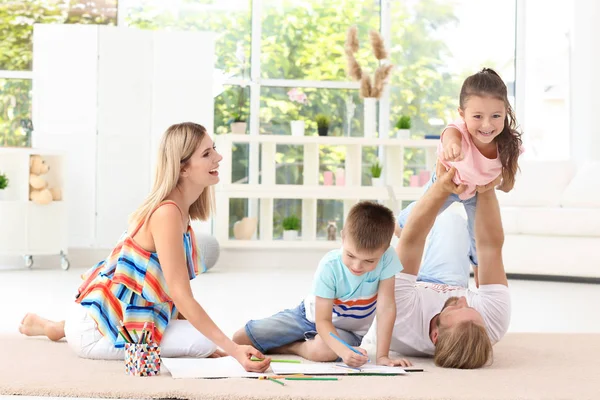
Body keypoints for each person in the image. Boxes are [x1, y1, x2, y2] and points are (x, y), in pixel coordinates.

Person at [18, 122, 271, 373]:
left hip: (96, 316)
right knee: (202, 341)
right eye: (207, 154)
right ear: (182, 168)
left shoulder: (180, 212)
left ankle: (56, 327)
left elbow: (172, 294)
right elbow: (181, 294)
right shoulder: (168, 214)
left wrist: (214, 344)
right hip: (92, 333)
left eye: (213, 148)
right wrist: (231, 349)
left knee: (201, 338)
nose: (219, 157)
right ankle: (63, 329)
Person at [233, 202, 411, 368]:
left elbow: (386, 308)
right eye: (350, 255)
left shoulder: (388, 258)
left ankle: (292, 347)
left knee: (323, 351)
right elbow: (322, 320)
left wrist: (382, 357)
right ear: (343, 237)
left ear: (386, 248)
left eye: (369, 261)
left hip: (348, 330)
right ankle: (297, 340)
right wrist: (342, 351)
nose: (357, 266)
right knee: (240, 339)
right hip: (308, 317)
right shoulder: (329, 266)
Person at [397, 67, 523, 286]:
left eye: (496, 116)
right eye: (477, 116)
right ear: (462, 114)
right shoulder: (458, 131)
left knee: (480, 239)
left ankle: (481, 279)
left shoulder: (509, 144)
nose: (487, 124)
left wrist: (496, 182)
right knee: (415, 220)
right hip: (449, 184)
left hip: (477, 192)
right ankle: (396, 224)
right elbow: (450, 137)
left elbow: (508, 180)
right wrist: (452, 147)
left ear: (505, 113)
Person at [391, 163, 511, 369]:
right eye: (471, 308)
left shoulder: (400, 319)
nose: (464, 299)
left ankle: (400, 223)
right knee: (452, 221)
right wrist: (487, 183)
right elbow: (491, 248)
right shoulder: (493, 323)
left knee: (434, 223)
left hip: (409, 291)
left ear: (435, 335)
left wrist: (443, 184)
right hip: (447, 280)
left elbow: (412, 240)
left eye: (455, 308)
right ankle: (473, 181)